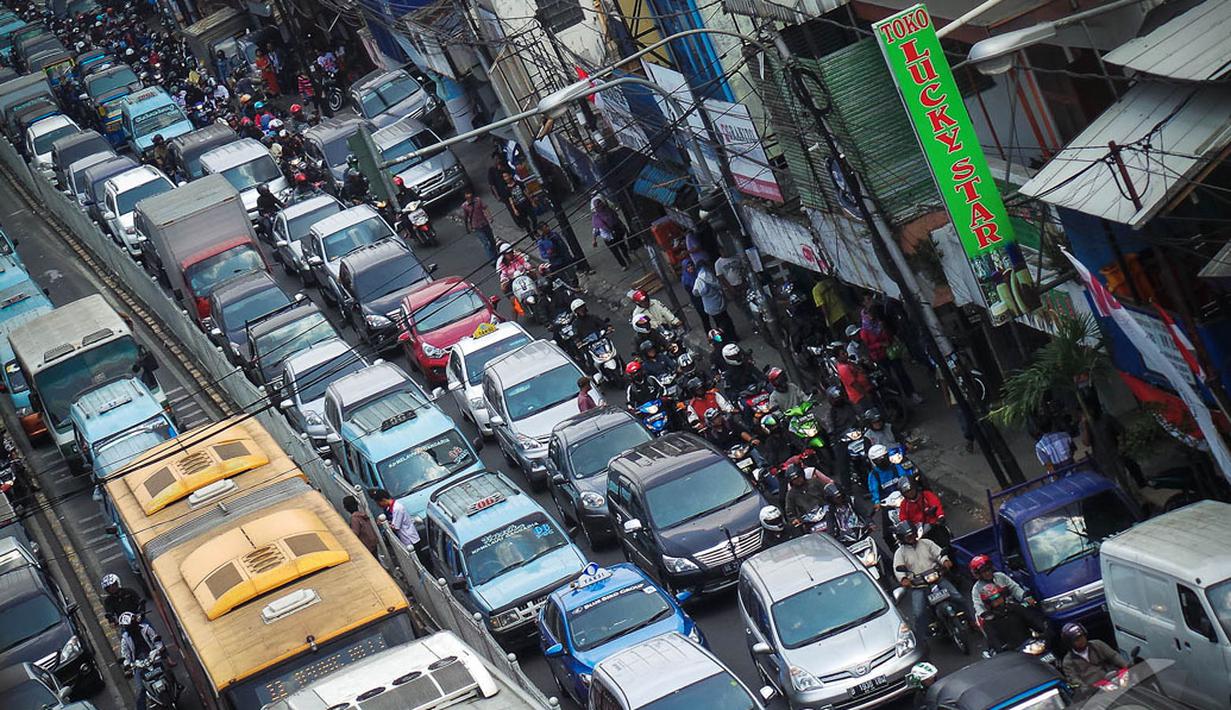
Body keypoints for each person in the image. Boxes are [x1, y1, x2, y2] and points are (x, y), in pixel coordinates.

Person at [892, 521, 968, 636]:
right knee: (919, 613)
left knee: (958, 597)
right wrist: (903, 579)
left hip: (937, 578)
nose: (911, 538)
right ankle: (922, 639)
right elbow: (897, 568)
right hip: (918, 585)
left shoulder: (926, 543)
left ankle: (973, 622)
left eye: (912, 535)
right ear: (902, 538)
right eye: (908, 537)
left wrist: (945, 561)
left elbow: (939, 554)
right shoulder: (900, 553)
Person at [979, 583, 1049, 653]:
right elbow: (994, 641)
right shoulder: (989, 621)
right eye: (994, 600)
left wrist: (1044, 628)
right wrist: (1002, 650)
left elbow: (1031, 618)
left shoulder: (1014, 608)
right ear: (988, 604)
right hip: (1012, 654)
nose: (998, 601)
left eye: (999, 597)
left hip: (1030, 644)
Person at [118, 611, 166, 710]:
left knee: (166, 672)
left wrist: (159, 649)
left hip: (153, 656)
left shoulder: (146, 629)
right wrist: (128, 664)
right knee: (140, 689)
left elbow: (156, 639)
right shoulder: (125, 639)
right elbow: (125, 654)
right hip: (138, 664)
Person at [1060, 623, 1127, 692]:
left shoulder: (1097, 644)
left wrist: (1126, 666)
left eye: (1082, 636)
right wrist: (1086, 689)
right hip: (1094, 692)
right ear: (1069, 643)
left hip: (1113, 680)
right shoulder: (1068, 662)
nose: (1081, 640)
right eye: (1077, 639)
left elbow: (1114, 656)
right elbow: (1075, 680)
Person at [897, 477, 949, 548]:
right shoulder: (904, 505)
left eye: (911, 489)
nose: (910, 493)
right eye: (907, 492)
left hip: (934, 526)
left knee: (945, 543)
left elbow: (936, 504)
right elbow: (903, 519)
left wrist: (940, 516)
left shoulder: (926, 495)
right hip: (919, 534)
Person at [692, 260, 738, 339]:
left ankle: (725, 338)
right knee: (726, 321)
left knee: (719, 322)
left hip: (710, 306)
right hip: (718, 303)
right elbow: (717, 284)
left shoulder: (698, 280)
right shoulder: (707, 275)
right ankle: (732, 337)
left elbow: (696, 292)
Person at [592, 196, 631, 270]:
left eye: (601, 204)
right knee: (615, 252)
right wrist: (594, 240)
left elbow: (617, 219)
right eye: (598, 205)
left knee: (623, 246)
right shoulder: (596, 217)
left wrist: (623, 227)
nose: (600, 206)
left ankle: (627, 256)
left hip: (617, 232)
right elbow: (595, 230)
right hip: (608, 237)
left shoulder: (609, 210)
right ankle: (623, 265)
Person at [461, 189, 497, 262]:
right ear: (465, 196)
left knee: (492, 241)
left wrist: (490, 217)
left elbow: (485, 208)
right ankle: (493, 259)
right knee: (486, 243)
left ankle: (496, 255)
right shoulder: (464, 206)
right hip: (476, 227)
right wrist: (467, 228)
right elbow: (466, 217)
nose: (469, 195)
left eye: (469, 193)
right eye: (467, 194)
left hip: (484, 223)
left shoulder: (478, 200)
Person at [680, 258, 711, 331]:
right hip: (697, 301)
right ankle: (710, 336)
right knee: (705, 318)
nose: (690, 268)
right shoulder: (685, 279)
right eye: (688, 267)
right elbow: (691, 292)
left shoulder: (698, 274)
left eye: (691, 265)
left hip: (706, 297)